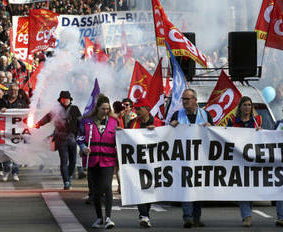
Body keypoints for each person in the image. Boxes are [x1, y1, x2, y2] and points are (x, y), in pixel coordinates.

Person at [170, 88, 213, 228]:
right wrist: (171, 127)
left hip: (201, 159)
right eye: (183, 99)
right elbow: (167, 136)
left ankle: (196, 218)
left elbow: (215, 134)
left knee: (198, 190)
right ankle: (187, 217)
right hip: (183, 159)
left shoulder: (205, 115)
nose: (185, 102)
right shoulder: (177, 115)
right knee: (187, 188)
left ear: (195, 100)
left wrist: (210, 127)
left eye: (187, 99)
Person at [77, 94, 117, 229]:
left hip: (108, 159)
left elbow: (122, 138)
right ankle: (99, 218)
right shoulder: (86, 121)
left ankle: (109, 218)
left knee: (107, 187)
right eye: (103, 109)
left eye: (107, 109)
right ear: (97, 109)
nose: (105, 111)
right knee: (95, 191)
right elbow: (80, 137)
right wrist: (83, 147)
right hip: (92, 159)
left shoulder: (114, 122)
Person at [124, 98, 163, 228]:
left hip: (154, 162)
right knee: (140, 188)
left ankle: (145, 214)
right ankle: (144, 215)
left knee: (150, 189)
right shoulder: (132, 123)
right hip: (137, 162)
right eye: (135, 109)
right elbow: (126, 138)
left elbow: (166, 138)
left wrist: (157, 132)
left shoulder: (158, 123)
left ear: (147, 109)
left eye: (139, 108)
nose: (136, 111)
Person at [227, 96, 262, 227]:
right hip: (239, 160)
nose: (247, 107)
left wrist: (261, 132)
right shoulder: (232, 122)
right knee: (243, 188)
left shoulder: (258, 121)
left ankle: (247, 214)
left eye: (249, 105)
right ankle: (246, 216)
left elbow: (270, 134)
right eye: (245, 105)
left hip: (255, 160)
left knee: (251, 188)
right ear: (240, 107)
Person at [35, 91, 81, 190]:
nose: (66, 100)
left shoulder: (75, 109)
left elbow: (80, 122)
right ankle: (66, 181)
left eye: (67, 99)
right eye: (64, 99)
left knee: (73, 161)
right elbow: (47, 118)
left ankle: (69, 177)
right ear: (60, 100)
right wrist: (38, 124)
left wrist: (80, 135)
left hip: (72, 137)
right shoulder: (56, 110)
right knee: (64, 161)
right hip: (61, 138)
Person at [0, 83, 29, 181]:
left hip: (17, 132)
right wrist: (0, 109)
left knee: (16, 152)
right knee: (6, 152)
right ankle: (6, 171)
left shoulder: (22, 103)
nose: (14, 92)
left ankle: (15, 172)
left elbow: (26, 117)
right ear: (8, 91)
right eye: (12, 90)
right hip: (5, 131)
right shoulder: (2, 101)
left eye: (16, 90)